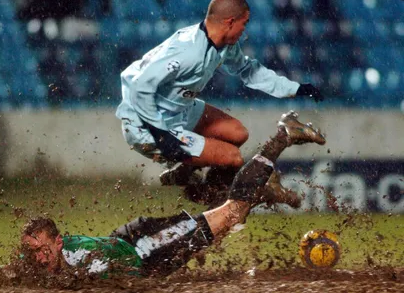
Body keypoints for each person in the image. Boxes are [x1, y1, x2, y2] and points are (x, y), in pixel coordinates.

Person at [22, 111, 325, 276]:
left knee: (232, 213)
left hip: (148, 247)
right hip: (136, 245)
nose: (39, 257)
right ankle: (259, 191)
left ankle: (282, 135)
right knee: (223, 221)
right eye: (33, 251)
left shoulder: (81, 260)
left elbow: (100, 276)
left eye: (43, 248)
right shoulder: (55, 256)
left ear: (59, 242)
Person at [115, 0, 324, 188]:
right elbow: (138, 85)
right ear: (230, 22)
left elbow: (247, 70)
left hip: (179, 109)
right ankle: (213, 198)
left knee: (238, 133)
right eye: (245, 23)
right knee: (233, 157)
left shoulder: (224, 45)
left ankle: (185, 172)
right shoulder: (188, 51)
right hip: (146, 125)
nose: (245, 30)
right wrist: (159, 133)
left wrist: (296, 88)